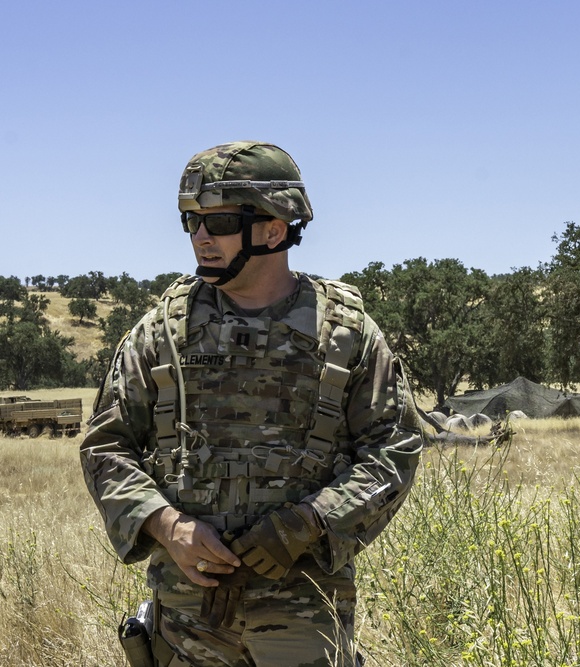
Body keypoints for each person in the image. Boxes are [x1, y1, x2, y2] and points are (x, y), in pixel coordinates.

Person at [81, 141, 423, 667]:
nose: (199, 237)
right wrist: (166, 526)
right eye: (190, 221)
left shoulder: (346, 335)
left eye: (217, 222)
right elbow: (106, 447)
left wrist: (307, 523)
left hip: (304, 610)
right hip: (187, 615)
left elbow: (393, 449)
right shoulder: (161, 333)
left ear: (275, 227)